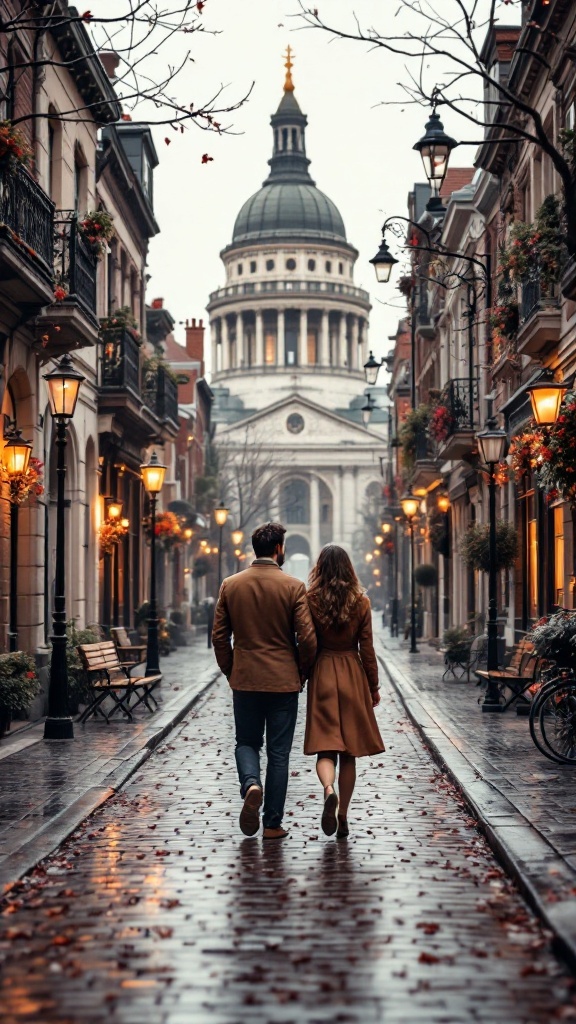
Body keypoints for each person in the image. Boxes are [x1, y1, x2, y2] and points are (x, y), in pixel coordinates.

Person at [212, 522, 317, 840]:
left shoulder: (231, 585)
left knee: (246, 742)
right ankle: (272, 824)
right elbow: (307, 638)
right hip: (283, 681)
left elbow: (219, 637)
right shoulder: (294, 587)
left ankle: (250, 784)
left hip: (245, 680)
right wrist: (302, 671)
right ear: (278, 549)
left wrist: (231, 670)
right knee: (279, 753)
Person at [304, 544, 385, 839]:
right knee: (349, 754)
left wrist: (303, 673)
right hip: (352, 673)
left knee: (326, 748)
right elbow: (368, 649)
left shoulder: (310, 600)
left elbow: (307, 642)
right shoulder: (361, 602)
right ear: (349, 568)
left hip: (323, 672)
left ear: (320, 568)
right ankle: (343, 816)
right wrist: (372, 686)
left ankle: (328, 789)